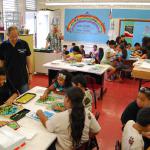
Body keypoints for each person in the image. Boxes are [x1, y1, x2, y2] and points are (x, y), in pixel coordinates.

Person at [36, 87, 101, 150]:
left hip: (62, 148)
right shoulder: (88, 113)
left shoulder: (61, 117)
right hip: (82, 147)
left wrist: (40, 113)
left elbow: (48, 126)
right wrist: (84, 140)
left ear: (67, 99)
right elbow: (96, 130)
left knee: (43, 143)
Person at [0, 26, 32, 94]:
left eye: (16, 36)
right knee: (10, 100)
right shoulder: (3, 46)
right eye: (12, 37)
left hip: (22, 78)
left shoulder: (24, 44)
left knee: (25, 98)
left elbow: (28, 60)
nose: (14, 39)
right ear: (8, 35)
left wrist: (30, 74)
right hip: (9, 79)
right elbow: (1, 63)